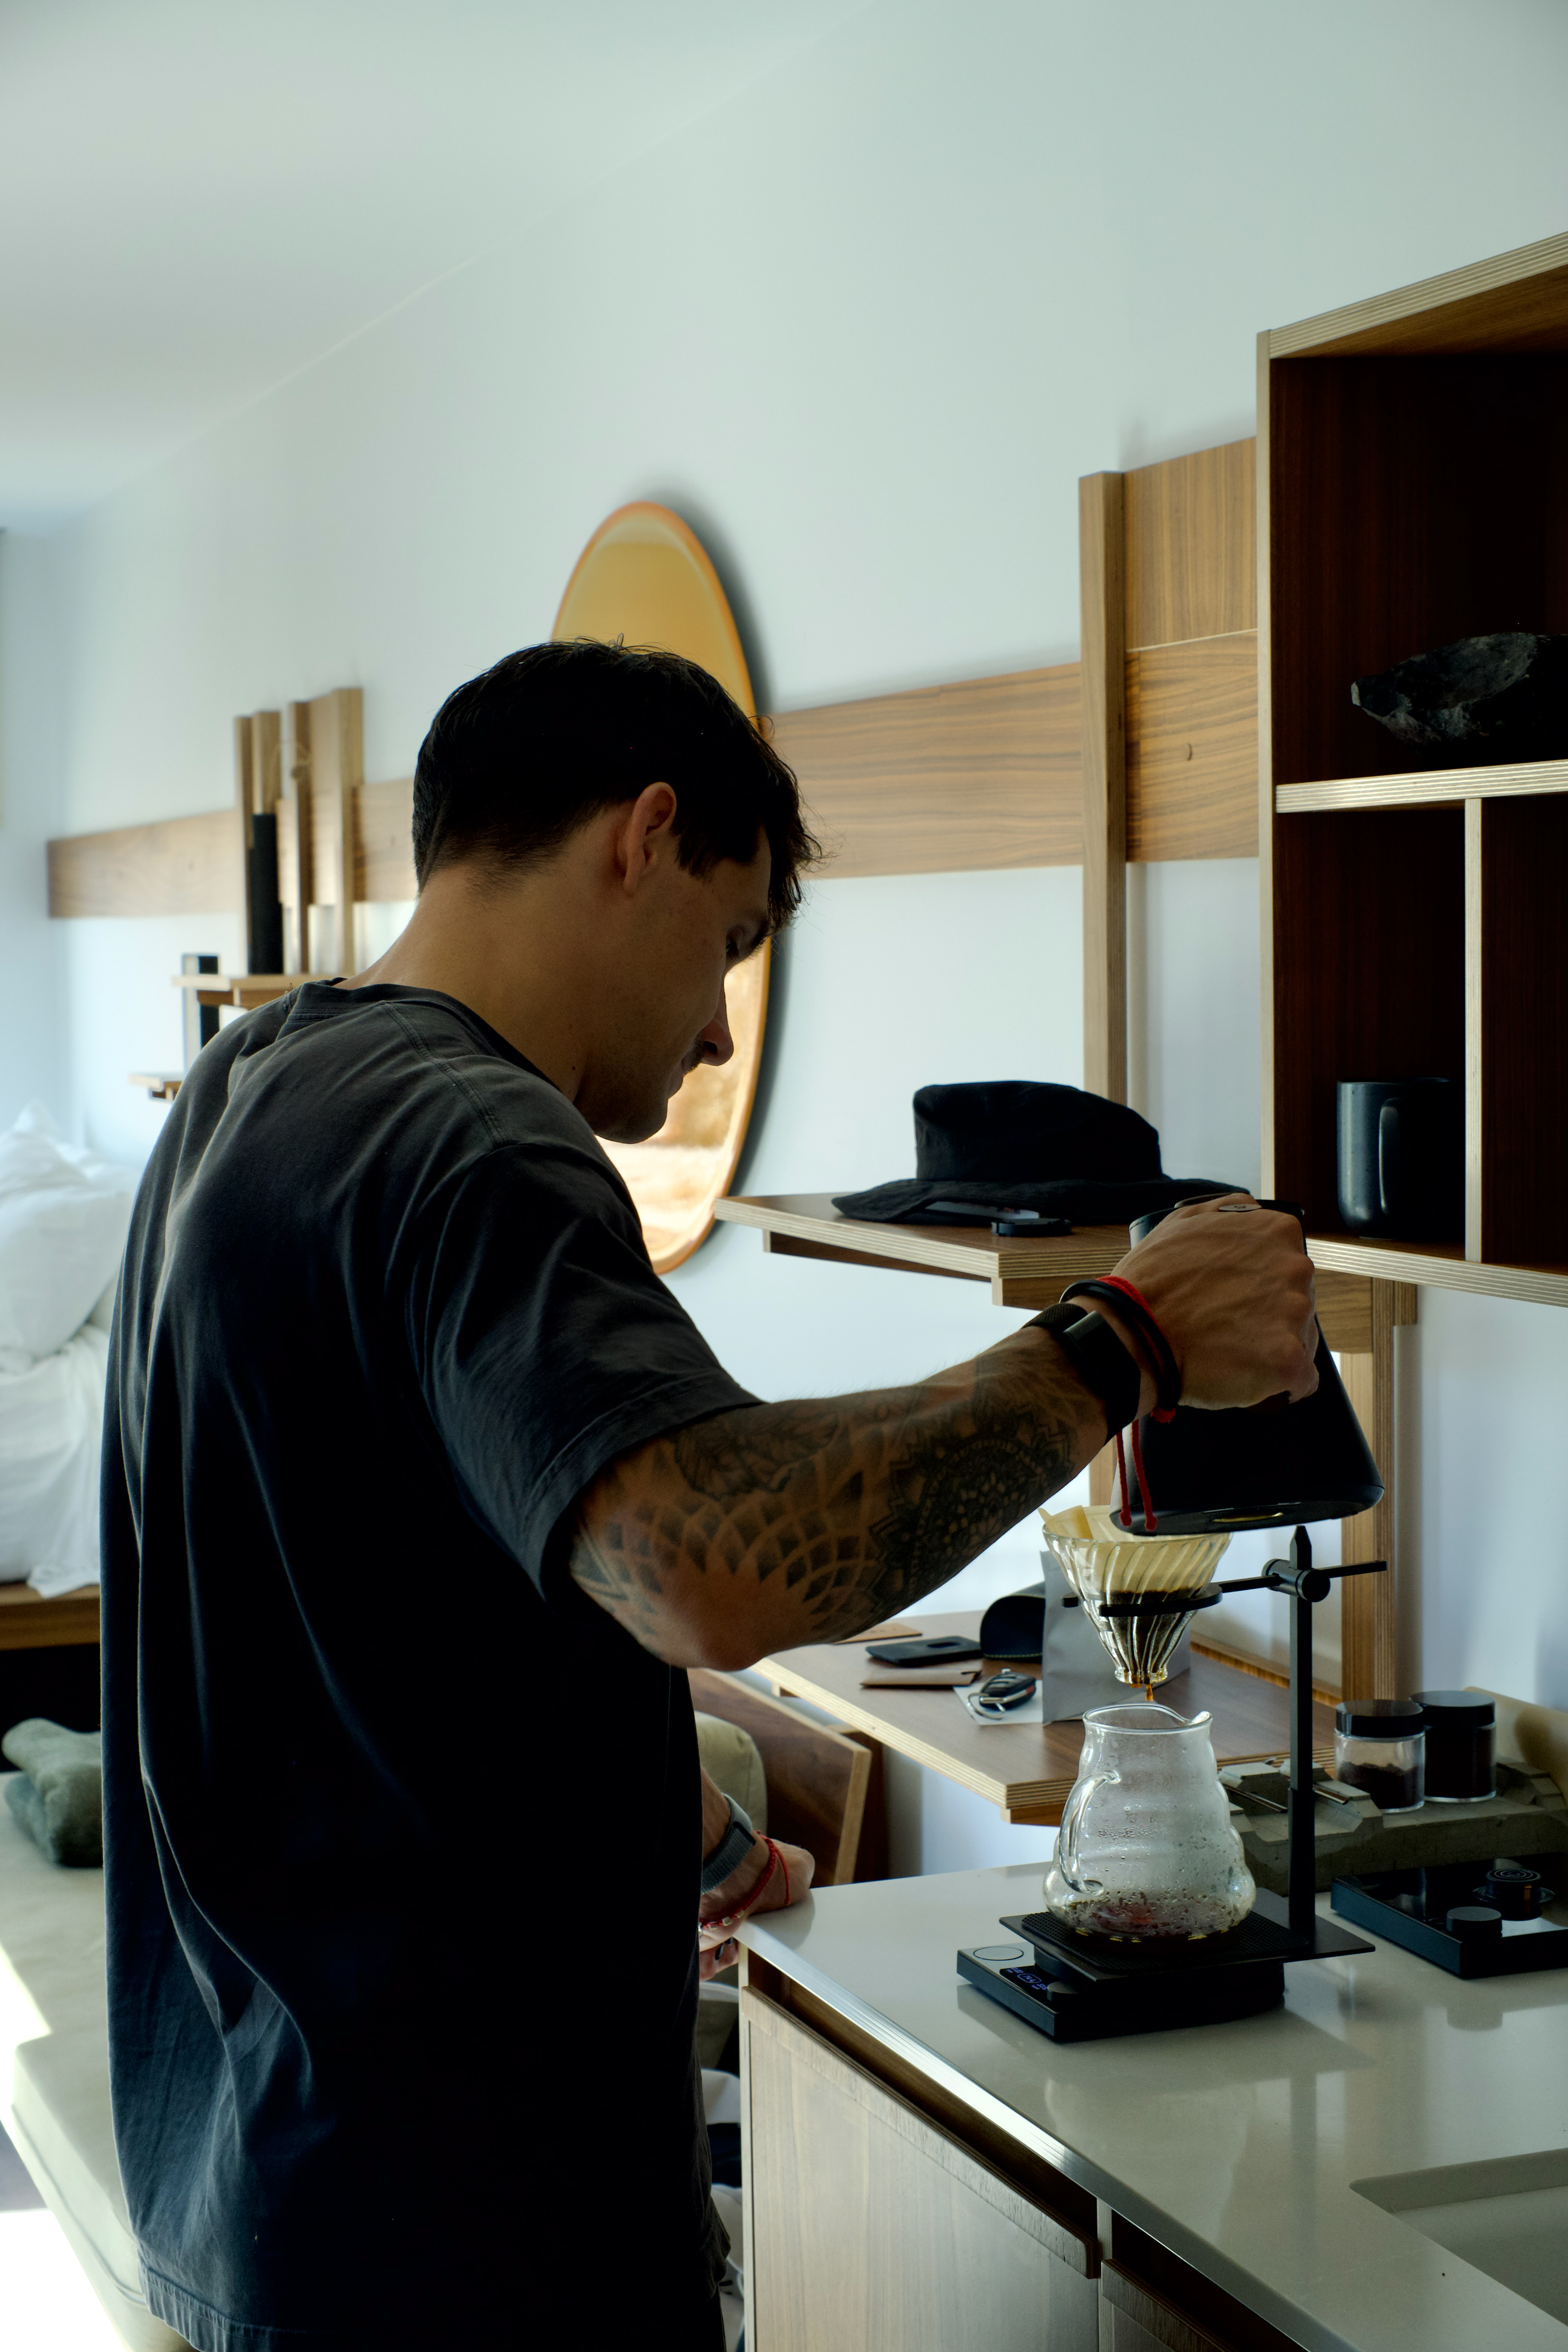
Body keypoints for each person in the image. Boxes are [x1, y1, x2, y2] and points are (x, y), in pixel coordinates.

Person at [101, 639, 1319, 2352]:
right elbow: (704, 1568)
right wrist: (1124, 1341)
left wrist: (686, 1826)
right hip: (459, 2238)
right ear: (647, 834)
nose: (720, 1027)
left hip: (268, 2175)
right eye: (732, 942)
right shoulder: (470, 1139)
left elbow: (373, 1595)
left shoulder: (258, 1086)